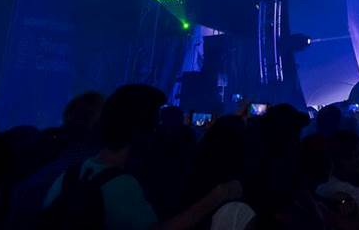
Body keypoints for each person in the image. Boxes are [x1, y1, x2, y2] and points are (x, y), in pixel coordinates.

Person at [40, 84, 240, 230]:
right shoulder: (121, 184)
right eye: (155, 126)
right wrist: (218, 195)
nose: (158, 133)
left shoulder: (67, 176)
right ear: (143, 133)